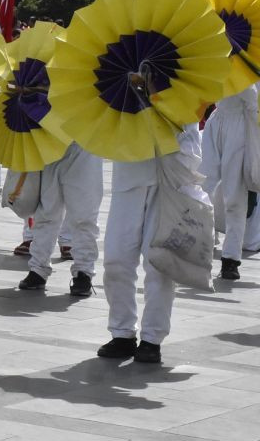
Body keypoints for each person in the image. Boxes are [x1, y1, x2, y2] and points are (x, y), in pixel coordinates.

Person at [100, 123, 203, 364]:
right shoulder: (117, 86)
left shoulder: (181, 87)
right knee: (115, 259)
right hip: (128, 171)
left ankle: (152, 338)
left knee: (159, 263)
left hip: (168, 176)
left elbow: (189, 129)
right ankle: (122, 333)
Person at [17, 142, 102, 297]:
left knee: (84, 215)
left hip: (83, 145)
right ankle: (38, 269)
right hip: (49, 145)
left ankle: (83, 273)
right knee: (45, 213)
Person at [202, 85, 259, 281]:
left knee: (235, 196)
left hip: (240, 126)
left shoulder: (249, 58)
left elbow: (253, 98)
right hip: (217, 120)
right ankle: (199, 245)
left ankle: (230, 260)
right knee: (202, 186)